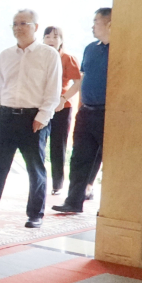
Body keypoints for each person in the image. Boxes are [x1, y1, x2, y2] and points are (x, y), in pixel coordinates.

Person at [0, 9, 61, 229]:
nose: (18, 28)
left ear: (35, 27)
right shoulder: (6, 54)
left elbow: (53, 90)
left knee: (35, 168)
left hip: (33, 118)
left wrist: (43, 116)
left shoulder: (49, 55)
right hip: (4, 117)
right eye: (14, 24)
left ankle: (35, 214)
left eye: (23, 23)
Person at [53, 8, 111, 214]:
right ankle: (73, 202)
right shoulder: (90, 49)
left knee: (110, 162)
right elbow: (83, 79)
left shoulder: (122, 50)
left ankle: (109, 207)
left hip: (110, 114)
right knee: (79, 158)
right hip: (86, 112)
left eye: (96, 21)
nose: (92, 25)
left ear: (110, 24)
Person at [41, 26, 82, 196]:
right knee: (38, 144)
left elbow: (78, 82)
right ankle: (38, 181)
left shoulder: (67, 58)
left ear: (61, 41)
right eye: (47, 36)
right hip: (41, 106)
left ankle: (57, 184)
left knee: (58, 145)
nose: (51, 40)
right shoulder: (39, 56)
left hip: (61, 107)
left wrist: (63, 98)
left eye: (55, 37)